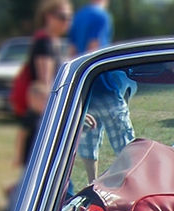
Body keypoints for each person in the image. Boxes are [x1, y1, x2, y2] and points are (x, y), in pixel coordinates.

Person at [70, 0, 134, 184]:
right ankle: (130, 184)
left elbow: (73, 50)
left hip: (87, 90)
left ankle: (92, 184)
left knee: (89, 142)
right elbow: (94, 47)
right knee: (124, 142)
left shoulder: (79, 17)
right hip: (105, 87)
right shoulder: (101, 16)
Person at [15, 0, 72, 170]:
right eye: (62, 17)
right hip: (41, 113)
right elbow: (45, 82)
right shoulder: (44, 44)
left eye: (69, 17)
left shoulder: (53, 42)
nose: (66, 22)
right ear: (48, 17)